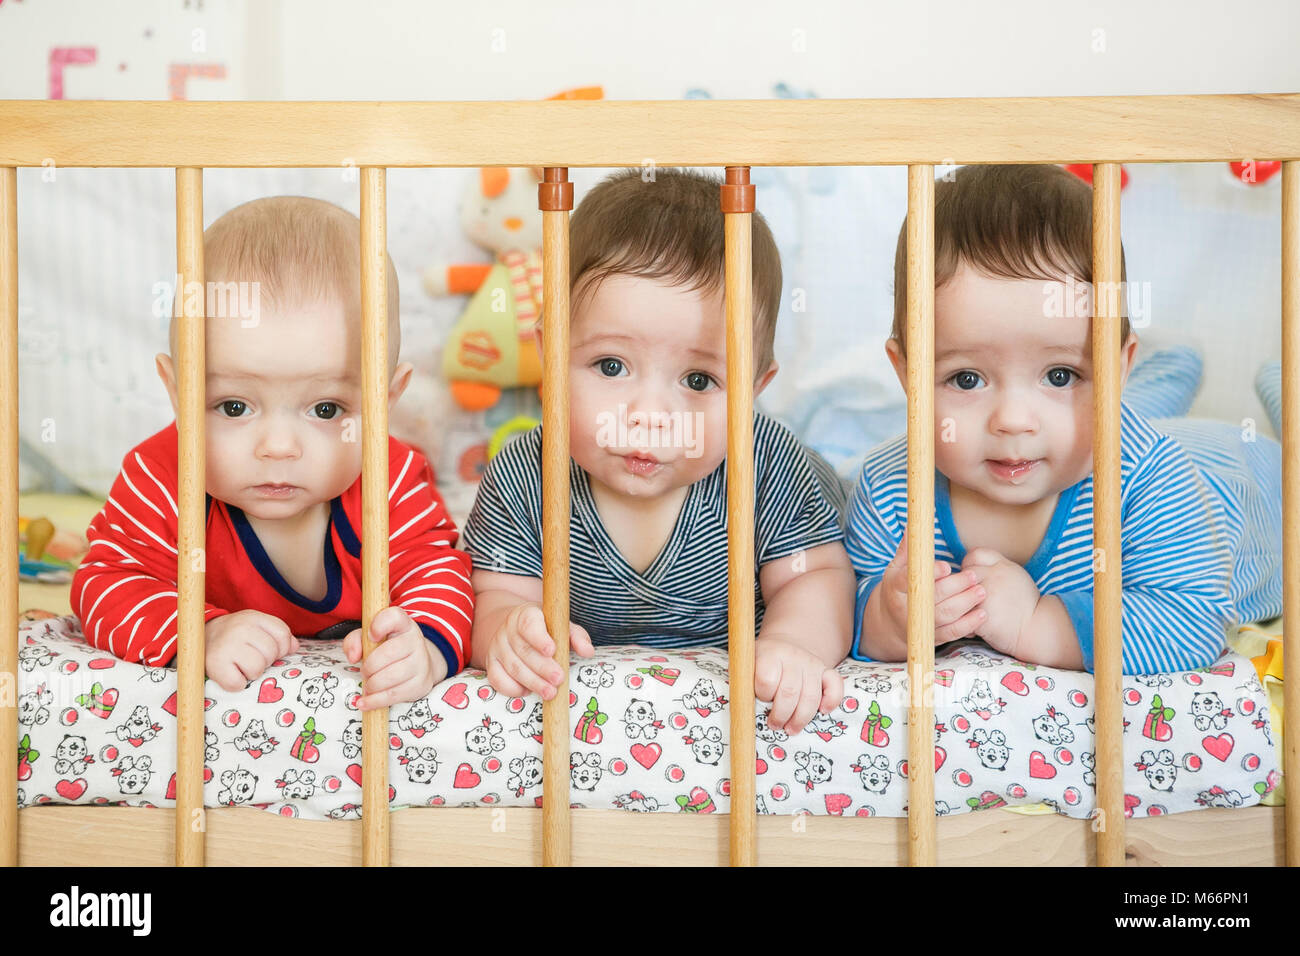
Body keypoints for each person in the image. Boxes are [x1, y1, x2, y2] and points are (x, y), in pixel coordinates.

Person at [847, 163, 1283, 675]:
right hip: (1092, 430)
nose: (1013, 421)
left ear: (1117, 367)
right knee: (1085, 420)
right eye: (966, 379)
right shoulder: (888, 489)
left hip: (1244, 474)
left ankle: (1274, 382)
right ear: (906, 372)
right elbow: (848, 605)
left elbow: (1188, 625)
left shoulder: (1153, 479)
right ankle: (1167, 366)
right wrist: (888, 620)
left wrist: (1035, 623)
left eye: (1060, 375)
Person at [462, 168, 855, 734]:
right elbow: (495, 591)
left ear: (753, 389)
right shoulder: (526, 473)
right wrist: (508, 628)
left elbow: (815, 575)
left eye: (698, 380)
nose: (649, 415)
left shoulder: (769, 465)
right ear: (551, 355)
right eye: (611, 366)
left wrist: (794, 642)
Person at [70, 197, 473, 709]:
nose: (279, 447)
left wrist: (427, 646)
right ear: (177, 391)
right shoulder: (161, 475)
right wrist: (198, 633)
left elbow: (438, 570)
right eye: (234, 406)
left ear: (386, 400)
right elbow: (105, 584)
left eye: (326, 409)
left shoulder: (388, 476)